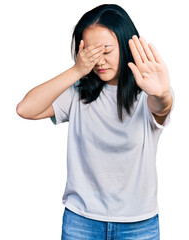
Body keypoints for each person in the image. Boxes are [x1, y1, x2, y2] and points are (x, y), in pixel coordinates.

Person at [16, 3, 175, 240]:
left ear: (125, 45)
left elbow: (161, 107)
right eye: (91, 52)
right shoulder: (77, 94)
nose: (99, 61)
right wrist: (77, 70)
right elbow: (25, 109)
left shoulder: (148, 93)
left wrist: (162, 94)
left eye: (107, 51)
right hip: (81, 220)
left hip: (138, 223)